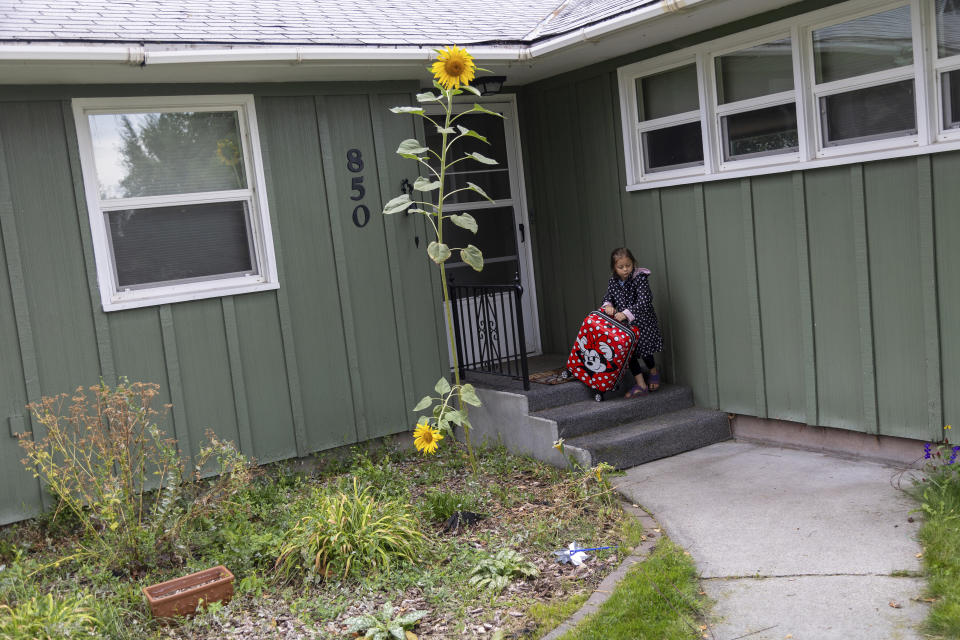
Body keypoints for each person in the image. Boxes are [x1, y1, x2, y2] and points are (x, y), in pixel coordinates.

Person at [601, 247, 664, 398]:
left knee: (645, 350)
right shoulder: (613, 281)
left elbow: (645, 300)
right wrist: (608, 305)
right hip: (626, 326)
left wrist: (626, 313)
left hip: (642, 321)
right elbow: (608, 296)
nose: (625, 270)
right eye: (620, 267)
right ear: (614, 268)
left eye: (627, 265)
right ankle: (641, 384)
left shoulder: (639, 278)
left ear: (633, 263)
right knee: (629, 354)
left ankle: (653, 371)